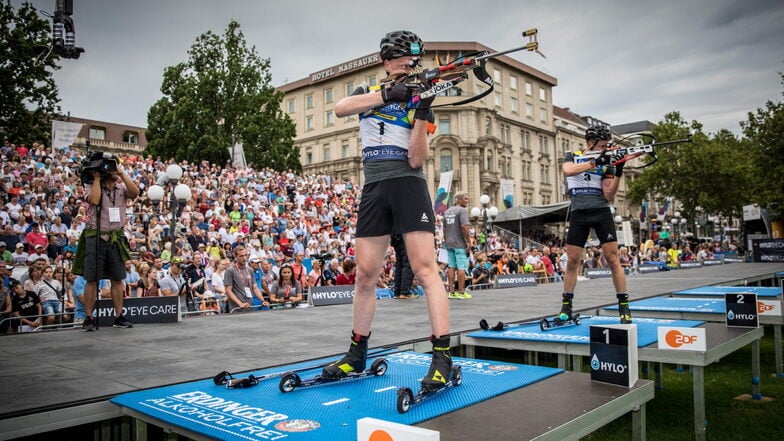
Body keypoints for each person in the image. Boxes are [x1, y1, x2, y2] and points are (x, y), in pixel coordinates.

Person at [321, 30, 454, 393]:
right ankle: (356, 352)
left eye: (414, 59)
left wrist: (422, 111)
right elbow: (339, 109)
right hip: (374, 186)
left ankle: (442, 356)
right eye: (403, 59)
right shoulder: (366, 93)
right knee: (365, 275)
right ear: (387, 61)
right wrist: (387, 94)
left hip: (407, 184)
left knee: (426, 271)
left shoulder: (418, 95)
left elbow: (416, 158)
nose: (410, 64)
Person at [560, 125, 631, 324]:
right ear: (590, 143)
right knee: (573, 261)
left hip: (600, 212)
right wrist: (594, 162)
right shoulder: (572, 155)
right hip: (578, 213)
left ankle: (623, 306)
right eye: (601, 145)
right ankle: (566, 307)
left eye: (605, 146)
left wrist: (618, 171)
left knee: (612, 259)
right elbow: (568, 170)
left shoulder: (607, 159)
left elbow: (608, 194)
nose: (604, 149)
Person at [72, 159, 140, 331]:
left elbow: (135, 192)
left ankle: (118, 316)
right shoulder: (92, 185)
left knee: (118, 278)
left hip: (115, 237)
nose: (113, 169)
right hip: (96, 236)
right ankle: (89, 317)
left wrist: (122, 174)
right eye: (110, 167)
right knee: (92, 279)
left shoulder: (121, 187)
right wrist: (96, 178)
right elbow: (94, 201)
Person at [442, 192, 473, 300]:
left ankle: (451, 292)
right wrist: (469, 241)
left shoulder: (447, 211)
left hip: (449, 243)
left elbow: (444, 229)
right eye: (465, 198)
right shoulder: (462, 211)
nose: (467, 200)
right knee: (461, 267)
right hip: (459, 243)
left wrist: (446, 241)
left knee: (451, 266)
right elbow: (464, 226)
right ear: (458, 200)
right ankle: (461, 291)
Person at [224, 246, 263, 312]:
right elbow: (228, 291)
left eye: (245, 255)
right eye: (241, 256)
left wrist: (263, 300)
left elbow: (255, 288)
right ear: (236, 257)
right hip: (236, 308)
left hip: (249, 304)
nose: (244, 258)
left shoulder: (250, 270)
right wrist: (240, 304)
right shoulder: (230, 270)